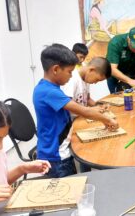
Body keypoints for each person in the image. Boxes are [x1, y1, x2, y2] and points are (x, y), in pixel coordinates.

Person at [33, 44, 118, 178]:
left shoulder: (49, 88)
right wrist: (107, 119)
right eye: (69, 72)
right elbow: (84, 111)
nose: (71, 76)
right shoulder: (48, 92)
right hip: (56, 155)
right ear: (56, 69)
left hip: (60, 151)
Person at [106, 26, 135, 93]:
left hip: (132, 72)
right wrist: (129, 81)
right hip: (115, 75)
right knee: (117, 98)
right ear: (128, 39)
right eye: (134, 46)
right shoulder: (115, 43)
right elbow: (112, 69)